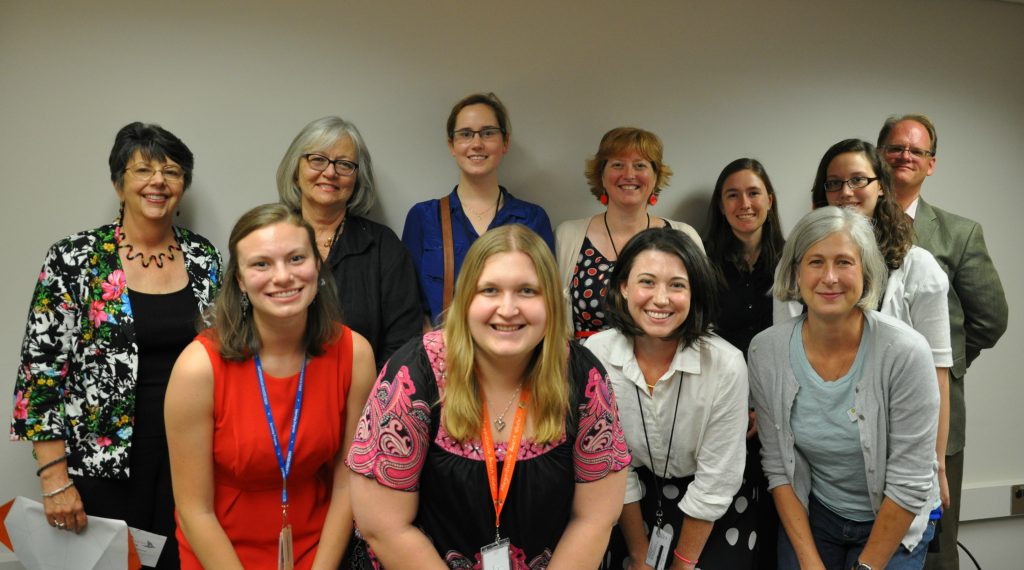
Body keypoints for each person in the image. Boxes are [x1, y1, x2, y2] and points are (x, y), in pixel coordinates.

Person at [349, 224, 630, 569]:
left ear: (552, 303)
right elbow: (384, 526)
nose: (508, 309)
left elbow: (595, 518)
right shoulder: (414, 376)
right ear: (466, 299)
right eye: (490, 290)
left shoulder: (583, 377)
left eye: (527, 291)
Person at [10, 122, 221, 569]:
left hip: (191, 459)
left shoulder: (205, 258)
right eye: (143, 169)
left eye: (172, 171)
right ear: (117, 183)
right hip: (100, 466)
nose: (158, 181)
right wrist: (54, 481)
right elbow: (39, 377)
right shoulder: (75, 257)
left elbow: (226, 354)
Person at [165, 204, 375, 569]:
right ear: (241, 281)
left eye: (296, 258)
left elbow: (347, 484)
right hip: (220, 552)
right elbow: (194, 509)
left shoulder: (354, 354)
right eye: (261, 264)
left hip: (318, 548)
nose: (283, 277)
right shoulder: (198, 368)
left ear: (317, 267)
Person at [749, 207, 939, 570]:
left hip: (895, 516)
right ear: (796, 273)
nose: (830, 277)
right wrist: (808, 561)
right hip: (817, 514)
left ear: (866, 272)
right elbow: (778, 468)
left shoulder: (905, 352)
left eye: (844, 262)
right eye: (816, 262)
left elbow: (910, 482)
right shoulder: (766, 351)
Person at [877, 115, 1009, 570]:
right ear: (879, 156)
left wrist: (940, 363)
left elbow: (990, 319)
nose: (905, 157)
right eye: (896, 148)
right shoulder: (849, 229)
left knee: (933, 545)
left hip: (936, 411)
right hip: (860, 410)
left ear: (931, 164)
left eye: (917, 151)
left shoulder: (958, 233)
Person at [802, 139, 953, 527]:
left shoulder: (919, 269)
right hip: (822, 471)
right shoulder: (802, 263)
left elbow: (937, 371)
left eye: (858, 180)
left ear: (881, 185)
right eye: (833, 183)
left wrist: (935, 464)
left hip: (897, 455)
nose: (845, 192)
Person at [584, 227, 749, 570]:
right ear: (623, 287)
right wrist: (640, 553)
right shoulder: (596, 353)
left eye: (676, 285)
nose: (660, 299)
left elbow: (716, 480)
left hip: (712, 502)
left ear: (694, 293)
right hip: (629, 499)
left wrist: (681, 564)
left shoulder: (726, 364)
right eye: (646, 282)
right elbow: (614, 465)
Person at [277, 116, 422, 368]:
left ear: (357, 179)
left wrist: (371, 402)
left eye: (344, 164)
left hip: (365, 401)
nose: (330, 172)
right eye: (318, 159)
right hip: (272, 398)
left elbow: (403, 345)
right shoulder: (265, 238)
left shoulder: (383, 247)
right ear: (295, 171)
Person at [402, 92, 555, 323]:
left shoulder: (533, 219)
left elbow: (544, 299)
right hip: (444, 352)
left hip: (512, 349)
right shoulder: (423, 217)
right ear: (452, 145)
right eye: (465, 134)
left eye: (488, 133)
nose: (476, 144)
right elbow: (408, 305)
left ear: (505, 143)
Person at [702, 157, 786, 569]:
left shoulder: (794, 262)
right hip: (726, 413)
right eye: (732, 195)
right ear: (721, 205)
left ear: (769, 200)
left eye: (753, 192)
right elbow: (700, 344)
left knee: (779, 518)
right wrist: (740, 404)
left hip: (786, 410)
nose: (744, 203)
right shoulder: (702, 265)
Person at [555, 127, 703, 340]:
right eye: (617, 165)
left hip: (663, 368)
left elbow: (699, 313)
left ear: (655, 177)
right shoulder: (567, 236)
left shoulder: (684, 236)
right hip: (585, 369)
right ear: (602, 176)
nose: (629, 174)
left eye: (640, 165)